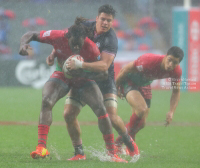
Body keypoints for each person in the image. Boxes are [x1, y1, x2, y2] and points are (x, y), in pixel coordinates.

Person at [19, 17, 127, 163]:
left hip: (84, 79)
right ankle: (42, 147)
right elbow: (31, 34)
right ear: (67, 36)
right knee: (46, 100)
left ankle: (112, 154)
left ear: (85, 38)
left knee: (101, 109)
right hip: (62, 75)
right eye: (73, 45)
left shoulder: (91, 47)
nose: (76, 48)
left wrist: (82, 70)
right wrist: (23, 45)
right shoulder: (57, 35)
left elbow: (103, 73)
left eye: (79, 45)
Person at [49, 4, 139, 160]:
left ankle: (129, 143)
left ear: (112, 22)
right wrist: (53, 53)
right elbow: (65, 38)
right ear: (97, 18)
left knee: (111, 117)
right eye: (103, 19)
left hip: (104, 79)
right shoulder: (84, 27)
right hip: (83, 78)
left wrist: (80, 65)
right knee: (68, 114)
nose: (105, 23)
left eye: (109, 21)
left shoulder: (111, 39)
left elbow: (104, 65)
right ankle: (79, 153)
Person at [114, 46, 184, 150]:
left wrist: (171, 111)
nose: (171, 65)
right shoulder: (148, 60)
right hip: (129, 81)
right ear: (165, 56)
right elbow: (125, 69)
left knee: (141, 124)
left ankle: (121, 143)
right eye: (169, 60)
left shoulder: (176, 71)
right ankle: (125, 145)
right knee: (141, 109)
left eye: (175, 62)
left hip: (145, 84)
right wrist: (116, 87)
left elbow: (176, 91)